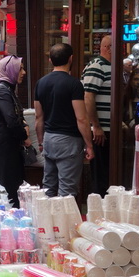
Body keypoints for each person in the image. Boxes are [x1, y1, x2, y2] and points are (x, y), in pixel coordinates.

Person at [34, 43, 94, 198]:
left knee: (48, 187)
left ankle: (47, 221)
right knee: (67, 191)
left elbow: (38, 117)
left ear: (50, 60)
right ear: (71, 59)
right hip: (69, 141)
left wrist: (40, 141)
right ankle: (64, 223)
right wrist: (89, 145)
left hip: (49, 138)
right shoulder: (74, 84)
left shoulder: (40, 83)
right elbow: (81, 118)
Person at [0, 56, 30, 208]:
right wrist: (23, 134)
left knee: (7, 188)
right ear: (10, 70)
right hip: (5, 148)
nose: (23, 72)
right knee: (6, 190)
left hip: (5, 146)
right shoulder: (2, 90)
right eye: (20, 68)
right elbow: (11, 119)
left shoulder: (2, 88)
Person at [82, 35, 113, 196]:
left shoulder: (111, 66)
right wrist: (96, 126)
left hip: (109, 127)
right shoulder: (97, 66)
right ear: (107, 48)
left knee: (108, 171)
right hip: (101, 130)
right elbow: (88, 97)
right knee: (100, 173)